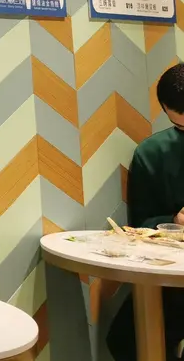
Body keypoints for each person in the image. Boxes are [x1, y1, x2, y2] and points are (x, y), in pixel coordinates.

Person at [106, 63, 184, 361]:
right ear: (166, 111)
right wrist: (174, 221)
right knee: (127, 340)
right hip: (173, 277)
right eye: (182, 127)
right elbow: (140, 224)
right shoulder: (153, 153)